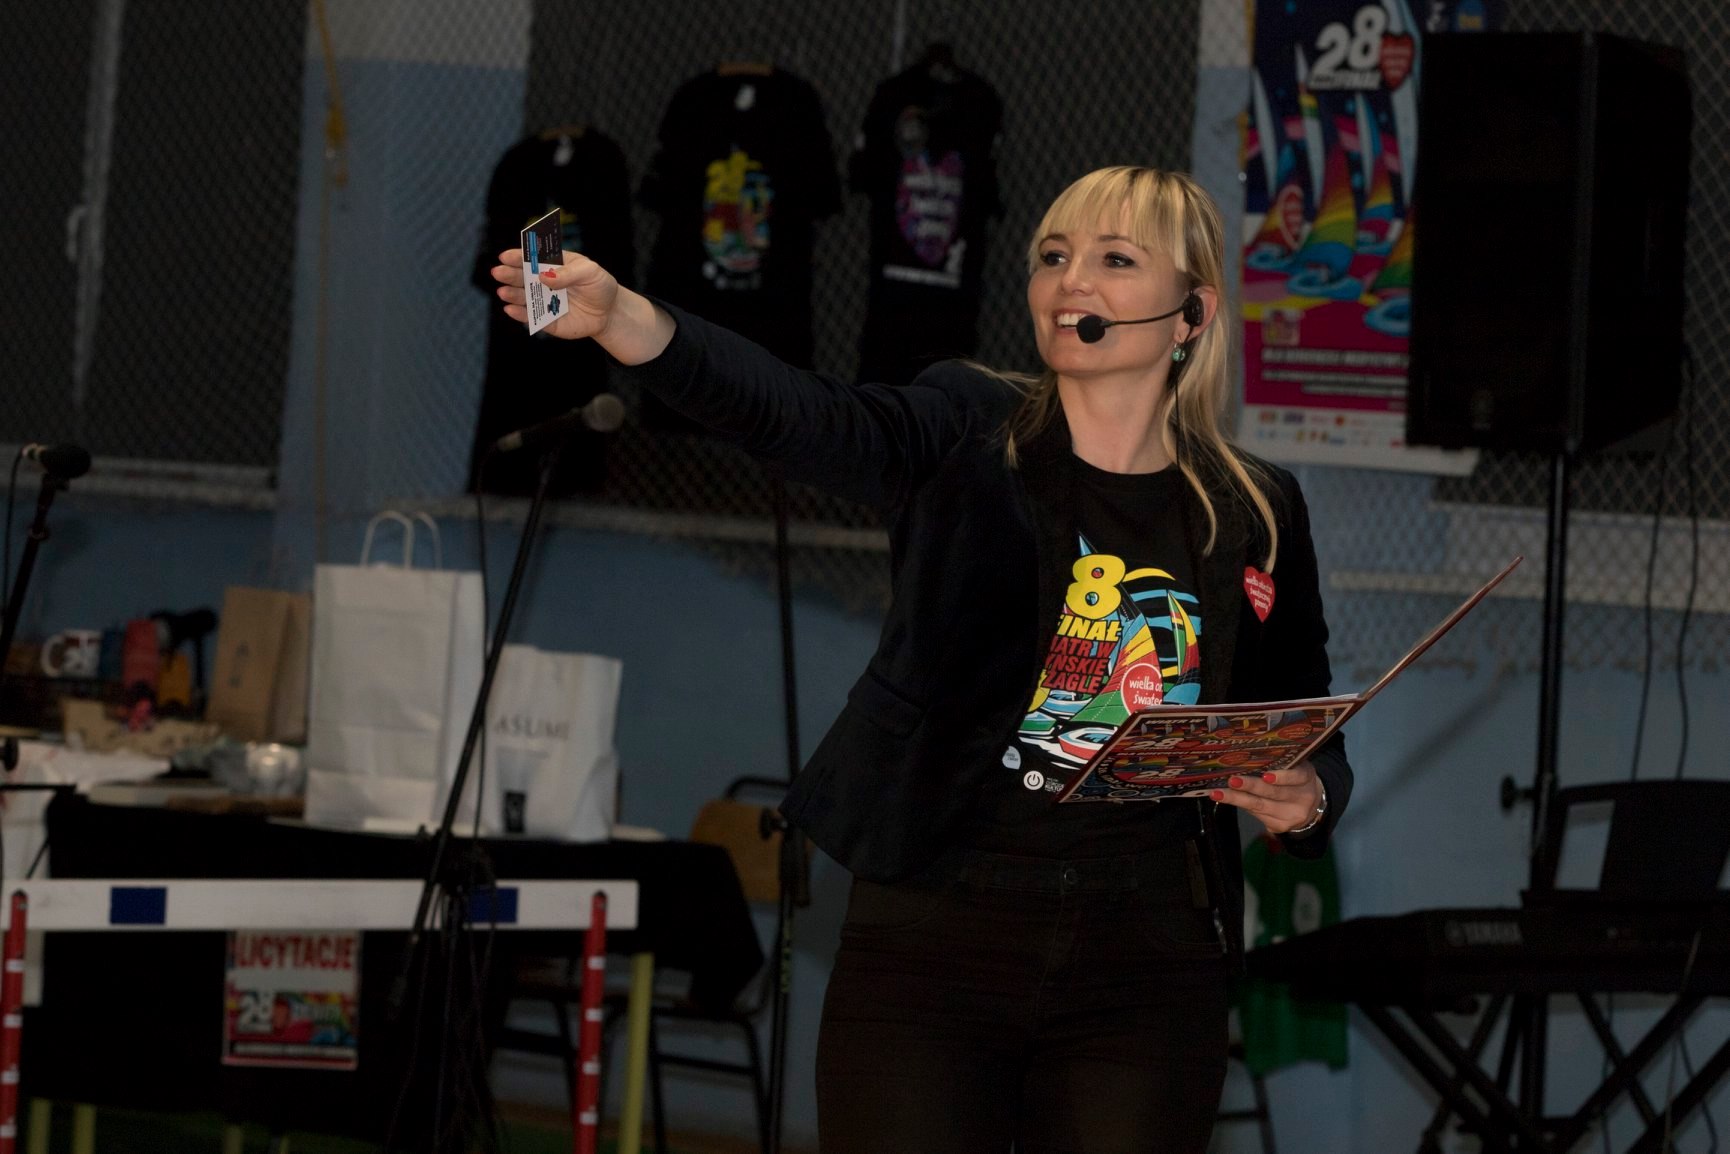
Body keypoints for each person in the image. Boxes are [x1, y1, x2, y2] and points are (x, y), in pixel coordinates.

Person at [493, 165, 1351, 1154]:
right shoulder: (966, 427)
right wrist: (626, 320)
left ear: (1190, 314)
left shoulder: (1256, 506)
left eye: (1114, 260)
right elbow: (799, 413)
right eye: (1053, 256)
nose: (1069, 281)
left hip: (1147, 962)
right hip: (937, 936)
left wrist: (1307, 798)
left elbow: (1304, 715)